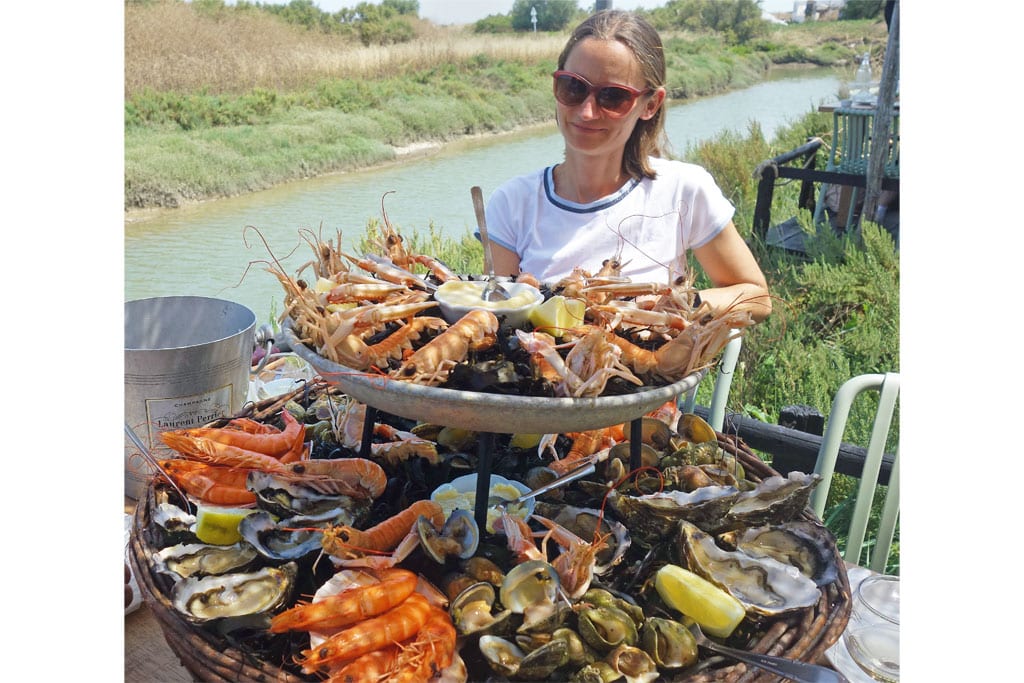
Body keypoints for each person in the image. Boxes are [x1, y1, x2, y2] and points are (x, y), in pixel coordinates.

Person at [482, 10, 771, 323]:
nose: (587, 112)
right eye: (573, 88)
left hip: (652, 366)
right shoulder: (512, 202)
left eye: (613, 96)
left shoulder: (684, 189)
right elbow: (502, 319)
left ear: (650, 104)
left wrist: (678, 303)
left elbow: (756, 296)